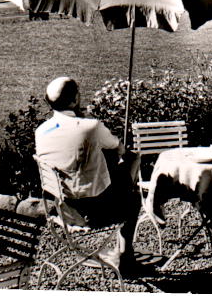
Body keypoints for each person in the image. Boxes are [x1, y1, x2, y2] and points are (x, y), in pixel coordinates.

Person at [35, 76, 141, 276]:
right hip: (95, 214)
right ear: (75, 100)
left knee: (109, 172)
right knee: (133, 179)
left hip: (63, 210)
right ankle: (125, 256)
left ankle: (117, 248)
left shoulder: (40, 131)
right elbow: (118, 148)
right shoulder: (91, 127)